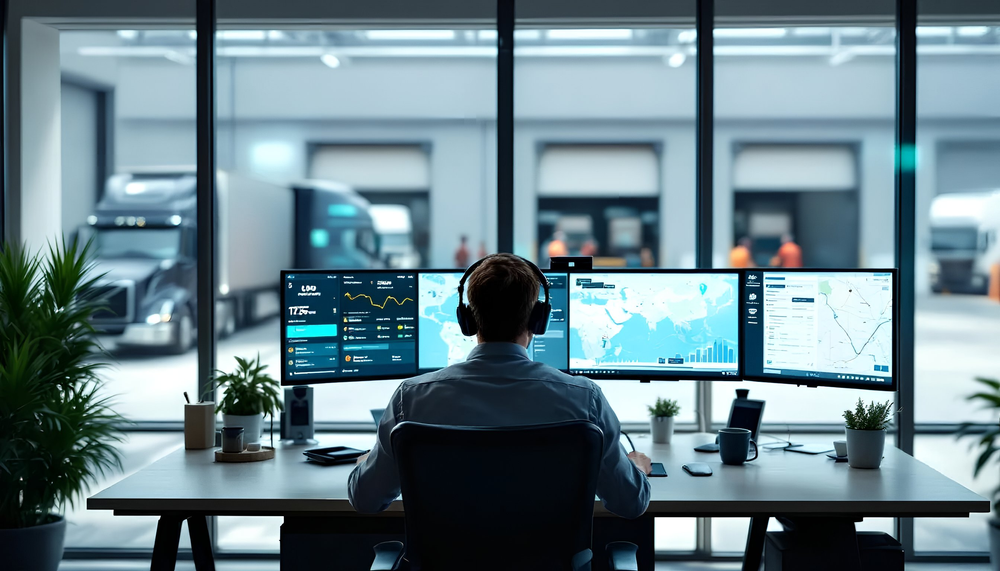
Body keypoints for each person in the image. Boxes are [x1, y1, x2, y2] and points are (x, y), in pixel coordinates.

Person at [349, 254, 652, 519]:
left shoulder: (412, 398)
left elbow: (366, 500)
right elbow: (630, 504)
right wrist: (636, 468)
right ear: (537, 320)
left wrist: (367, 464)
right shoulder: (584, 398)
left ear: (467, 320)